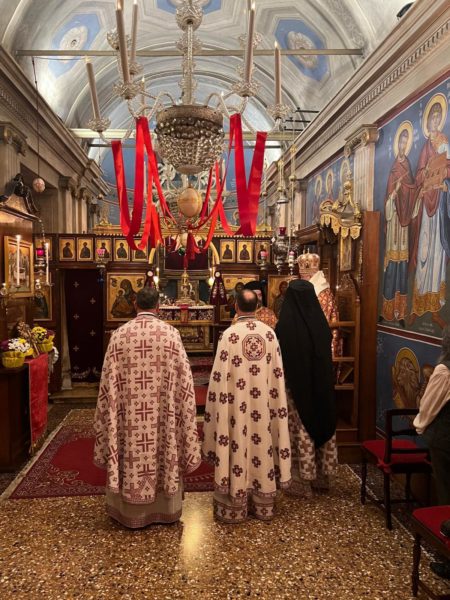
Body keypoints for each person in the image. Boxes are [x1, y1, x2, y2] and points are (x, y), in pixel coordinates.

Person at [94, 286, 201, 528]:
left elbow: (107, 383)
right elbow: (185, 382)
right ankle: (164, 509)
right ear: (158, 307)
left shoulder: (119, 335)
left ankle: (127, 510)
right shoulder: (171, 335)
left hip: (130, 416)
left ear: (135, 304)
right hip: (162, 415)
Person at [202, 289, 292, 523]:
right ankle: (263, 504)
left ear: (235, 306)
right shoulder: (269, 334)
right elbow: (278, 376)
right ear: (258, 307)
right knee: (262, 444)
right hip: (264, 407)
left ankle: (235, 505)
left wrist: (216, 408)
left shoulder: (229, 336)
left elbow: (218, 379)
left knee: (237, 444)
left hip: (236, 409)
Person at [275, 280, 337, 498]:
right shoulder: (321, 325)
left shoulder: (285, 327)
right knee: (320, 420)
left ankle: (301, 481)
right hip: (320, 388)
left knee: (300, 430)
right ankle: (322, 478)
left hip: (295, 390)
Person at [409, 99, 450, 329]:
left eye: (437, 117)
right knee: (424, 251)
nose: (434, 121)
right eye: (432, 117)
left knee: (437, 253)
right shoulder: (426, 146)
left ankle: (434, 309)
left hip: (440, 203)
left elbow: (448, 168)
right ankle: (418, 306)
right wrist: (426, 174)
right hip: (426, 204)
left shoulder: (444, 142)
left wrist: (443, 180)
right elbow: (418, 176)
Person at [414, 325, 450, 578]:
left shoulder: (444, 370)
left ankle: (446, 557)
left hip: (444, 439)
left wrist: (420, 425)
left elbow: (429, 406)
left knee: (446, 494)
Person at [381, 126, 416, 324]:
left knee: (402, 270)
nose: (403, 145)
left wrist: (415, 193)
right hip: (394, 223)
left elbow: (412, 193)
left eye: (405, 142)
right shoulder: (394, 170)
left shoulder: (408, 168)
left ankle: (400, 313)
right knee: (390, 272)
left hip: (403, 229)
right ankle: (387, 312)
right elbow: (388, 202)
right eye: (401, 142)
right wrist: (395, 191)